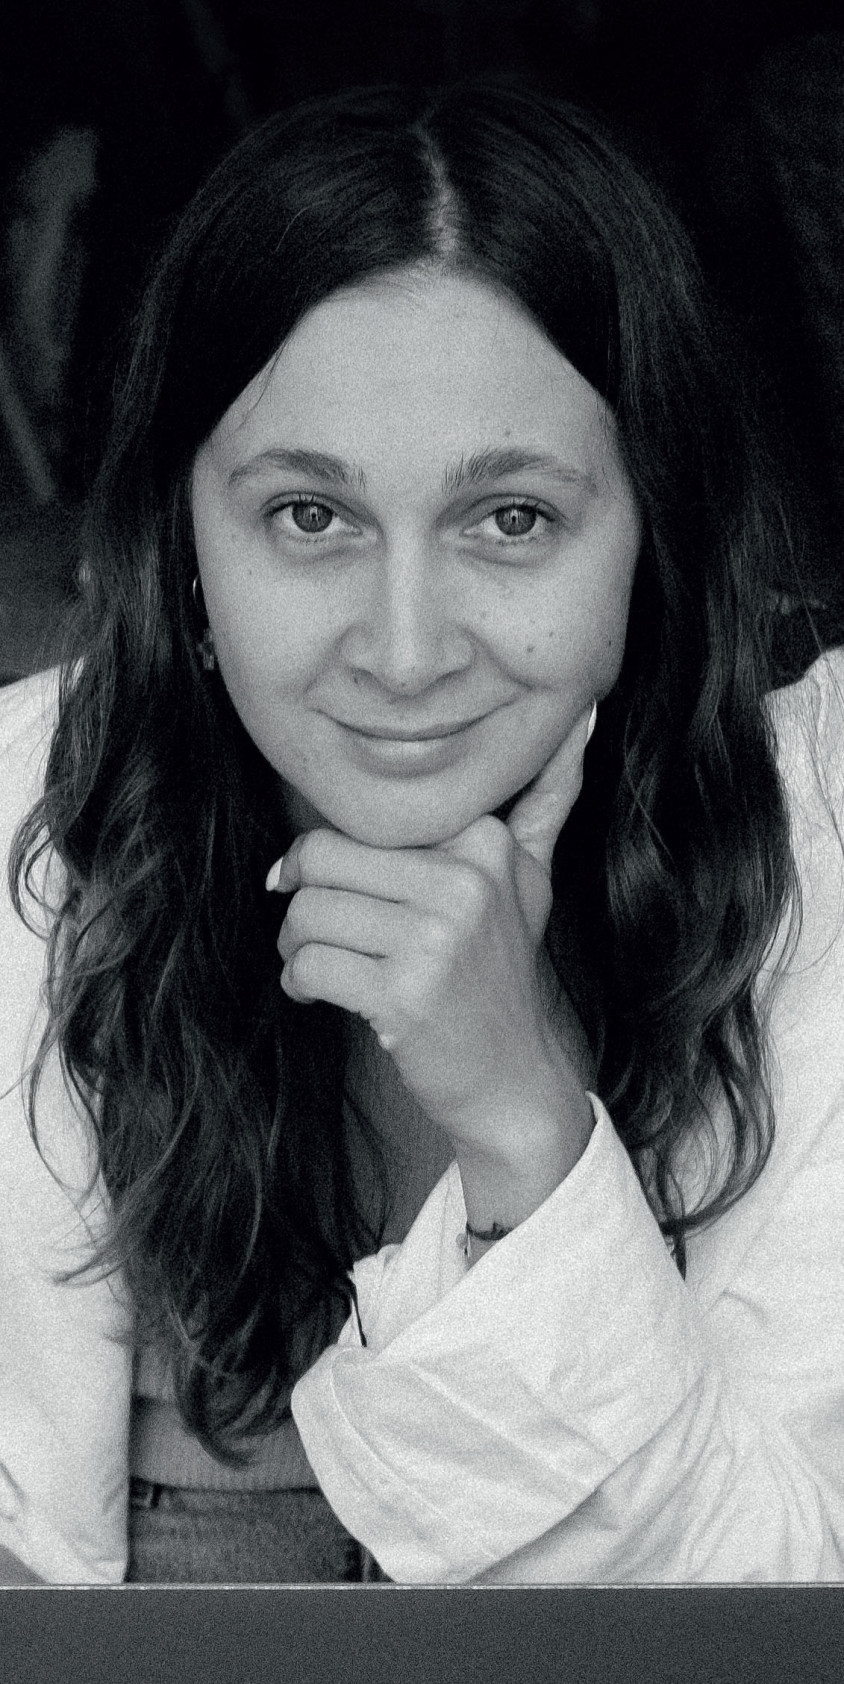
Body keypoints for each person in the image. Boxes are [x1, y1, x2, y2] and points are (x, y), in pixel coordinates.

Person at [1, 78, 843, 1591]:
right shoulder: (21, 834)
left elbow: (777, 1681)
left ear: (654, 534)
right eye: (309, 517)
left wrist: (525, 1125)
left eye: (511, 518)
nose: (404, 653)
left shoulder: (824, 866)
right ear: (182, 548)